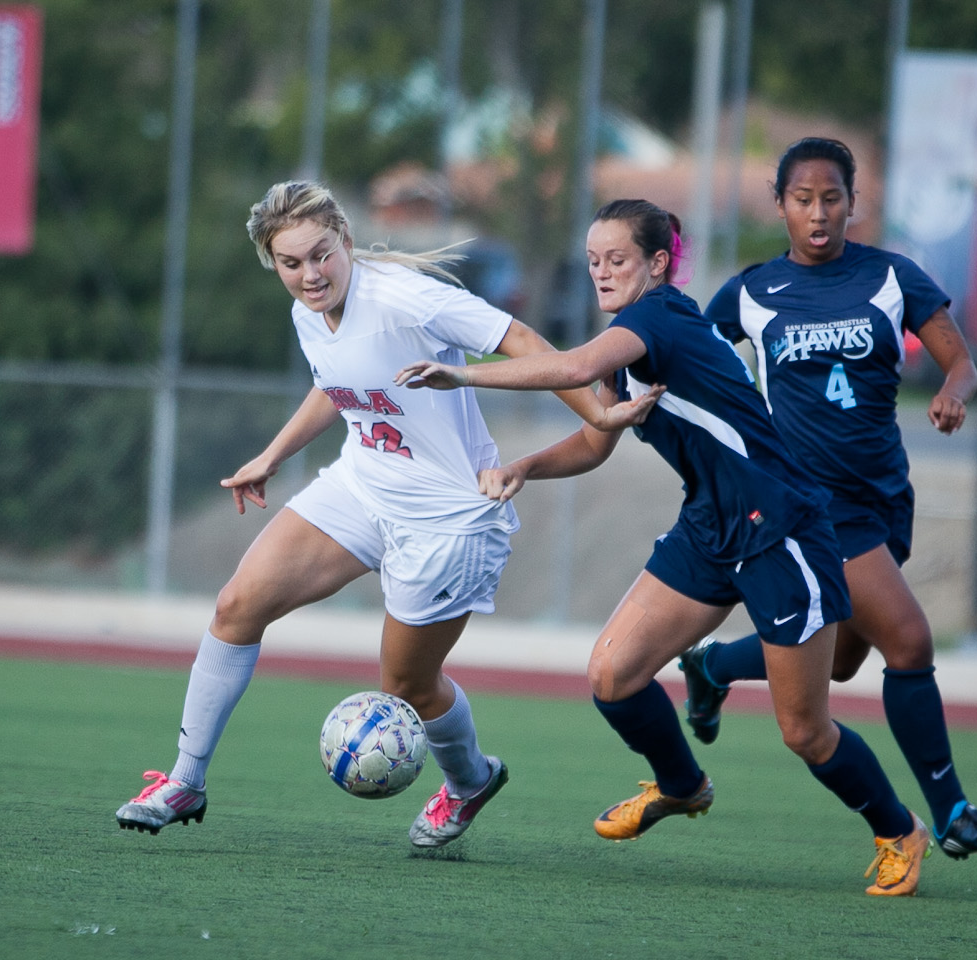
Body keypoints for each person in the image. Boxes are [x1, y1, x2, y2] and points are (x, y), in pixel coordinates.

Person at [396, 198, 933, 896]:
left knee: (804, 731)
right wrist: (526, 465)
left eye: (616, 259)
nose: (601, 272)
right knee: (613, 675)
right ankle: (682, 785)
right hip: (711, 523)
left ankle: (899, 829)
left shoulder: (659, 315)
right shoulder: (627, 344)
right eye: (592, 261)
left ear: (656, 264)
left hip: (781, 527)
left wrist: (464, 371)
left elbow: (570, 368)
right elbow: (596, 438)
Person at [115, 180, 657, 848]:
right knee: (235, 607)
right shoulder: (308, 312)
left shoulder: (405, 298)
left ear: (344, 241)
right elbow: (336, 381)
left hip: (451, 519)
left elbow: (513, 335)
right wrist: (274, 454)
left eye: (321, 255)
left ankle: (470, 781)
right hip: (364, 488)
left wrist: (598, 413)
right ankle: (184, 780)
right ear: (273, 264)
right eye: (292, 263)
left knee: (407, 682)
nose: (310, 274)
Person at [676, 137, 977, 859]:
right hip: (809, 505)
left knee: (835, 662)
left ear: (853, 202)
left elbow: (961, 362)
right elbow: (694, 359)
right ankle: (952, 812)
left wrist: (954, 394)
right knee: (910, 639)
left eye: (832, 197)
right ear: (781, 206)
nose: (819, 213)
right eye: (803, 200)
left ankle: (710, 667)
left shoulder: (893, 278)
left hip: (884, 498)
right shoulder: (751, 291)